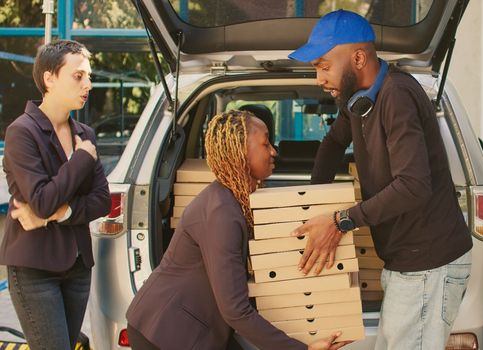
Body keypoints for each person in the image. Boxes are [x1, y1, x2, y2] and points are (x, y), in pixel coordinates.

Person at [288, 10, 474, 350]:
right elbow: (331, 144)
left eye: (324, 65)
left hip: (428, 266)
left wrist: (341, 220)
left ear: (358, 58)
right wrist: (311, 202)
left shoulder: (396, 95)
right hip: (406, 264)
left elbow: (414, 186)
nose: (318, 78)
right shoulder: (358, 101)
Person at [126, 110, 349, 350]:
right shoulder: (222, 213)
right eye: (265, 144)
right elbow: (235, 310)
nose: (273, 151)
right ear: (240, 153)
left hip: (196, 326)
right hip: (167, 330)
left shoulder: (233, 198)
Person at [0, 40, 111, 349]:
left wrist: (60, 214)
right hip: (35, 269)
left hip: (77, 266)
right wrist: (81, 161)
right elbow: (43, 200)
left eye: (89, 76)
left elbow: (101, 200)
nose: (88, 84)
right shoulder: (22, 131)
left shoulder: (85, 134)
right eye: (78, 76)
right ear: (49, 78)